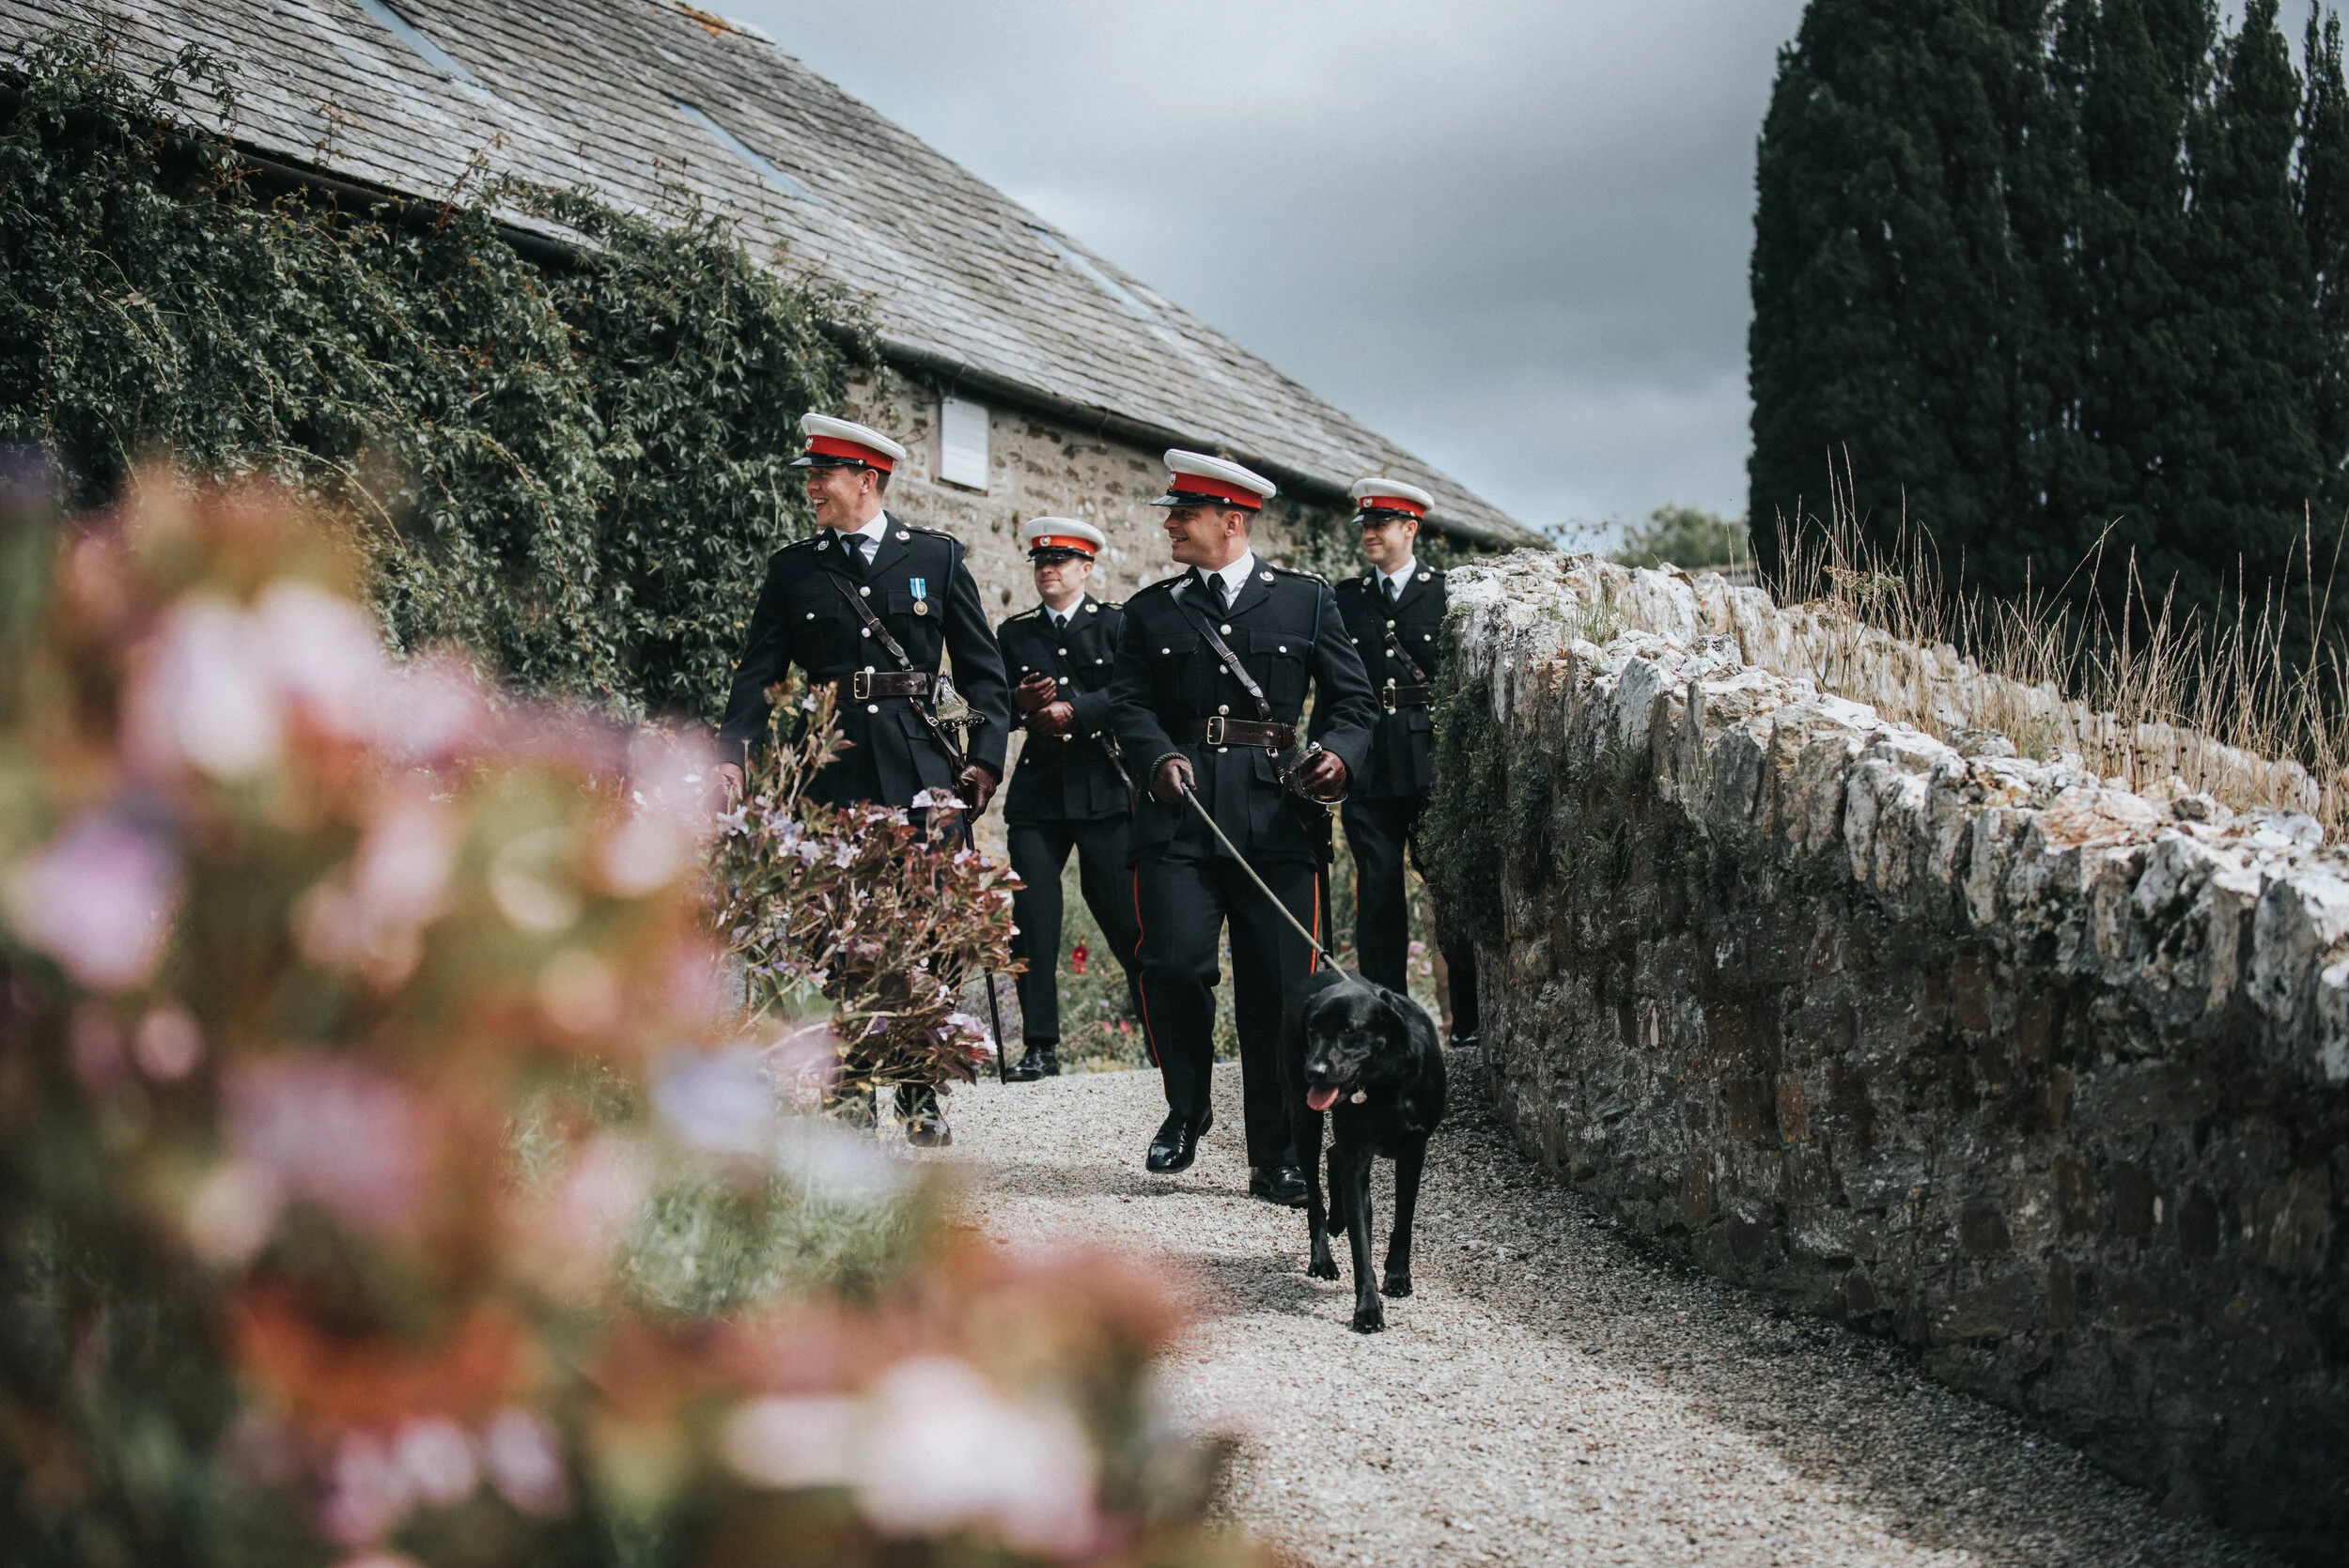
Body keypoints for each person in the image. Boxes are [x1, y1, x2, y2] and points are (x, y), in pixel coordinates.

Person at [715, 412, 1011, 1146]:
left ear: (868, 480)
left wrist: (983, 757)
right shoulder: (795, 568)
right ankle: (848, 1097)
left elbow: (983, 673)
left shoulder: (936, 559)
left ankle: (918, 1091)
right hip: (834, 770)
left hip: (920, 768)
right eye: (812, 474)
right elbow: (758, 675)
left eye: (825, 474)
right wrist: (732, 756)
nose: (812, 485)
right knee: (835, 937)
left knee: (924, 931)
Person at [1107, 450, 1377, 1205]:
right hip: (1179, 817)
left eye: (1182, 514)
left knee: (1282, 991)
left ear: (1233, 520)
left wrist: (1339, 761)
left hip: (1275, 818)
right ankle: (1186, 1108)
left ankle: (1278, 1153)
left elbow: (1355, 706)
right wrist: (1156, 754)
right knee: (1172, 963)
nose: (1169, 525)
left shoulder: (1306, 602)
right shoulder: (1150, 610)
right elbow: (1128, 704)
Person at [1315, 476, 1480, 1047]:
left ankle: (1469, 1020)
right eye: (1365, 525)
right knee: (1377, 890)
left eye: (1380, 525)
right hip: (1371, 763)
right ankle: (1387, 1020)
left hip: (1434, 765)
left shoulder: (1448, 594)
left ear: (1411, 528)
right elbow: (1334, 683)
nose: (1370, 535)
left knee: (1449, 891)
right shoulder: (1344, 598)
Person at [995, 518, 1145, 1081]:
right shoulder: (1015, 634)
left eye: (1060, 561)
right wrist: (1017, 700)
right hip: (1038, 793)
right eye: (1040, 562)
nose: (1048, 570)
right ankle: (1040, 1046)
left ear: (1087, 568)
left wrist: (1076, 711)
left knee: (1126, 917)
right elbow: (990, 704)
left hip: (1103, 789)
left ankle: (1160, 1030)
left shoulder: (1117, 625)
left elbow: (1133, 693)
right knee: (1031, 918)